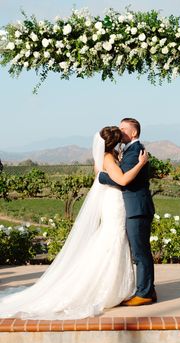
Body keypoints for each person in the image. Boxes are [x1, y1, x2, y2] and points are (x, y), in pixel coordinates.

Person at [0, 126, 148, 320]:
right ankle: (108, 288)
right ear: (114, 142)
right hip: (114, 203)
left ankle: (112, 285)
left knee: (111, 240)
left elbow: (103, 176)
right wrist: (141, 163)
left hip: (111, 202)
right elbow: (121, 180)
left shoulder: (103, 157)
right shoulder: (109, 159)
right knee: (113, 240)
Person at [99, 118, 156, 306]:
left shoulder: (135, 152)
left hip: (137, 208)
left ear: (134, 133)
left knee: (140, 253)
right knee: (139, 252)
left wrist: (101, 176)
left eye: (124, 129)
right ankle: (146, 289)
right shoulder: (128, 151)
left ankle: (145, 293)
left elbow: (122, 180)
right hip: (132, 207)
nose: (120, 131)